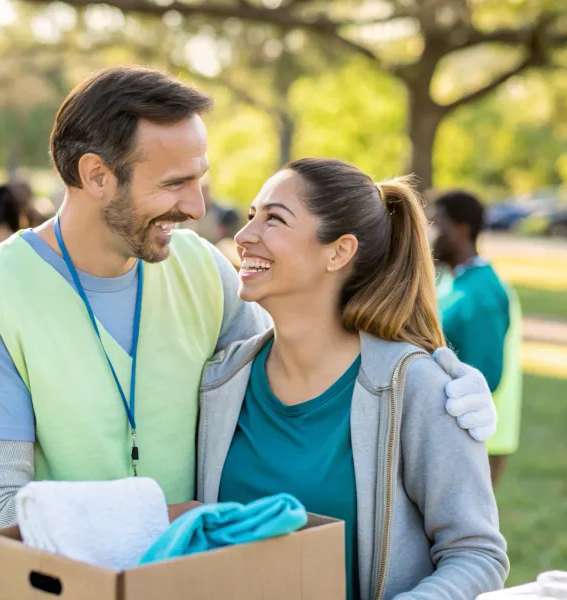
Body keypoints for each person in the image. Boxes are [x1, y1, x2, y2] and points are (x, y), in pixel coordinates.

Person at [0, 67, 498, 600]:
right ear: (96, 175)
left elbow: (310, 350)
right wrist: (183, 522)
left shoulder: (202, 270)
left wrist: (441, 380)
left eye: (201, 179)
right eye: (174, 183)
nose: (197, 207)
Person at [197, 159, 508, 600]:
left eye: (274, 220)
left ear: (339, 252)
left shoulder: (416, 389)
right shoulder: (222, 381)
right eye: (251, 217)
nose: (245, 237)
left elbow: (477, 553)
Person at [433, 190, 523, 486]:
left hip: (478, 440)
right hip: (456, 435)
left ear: (461, 229)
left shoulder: (481, 293)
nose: (429, 232)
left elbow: (486, 376)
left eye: (437, 223)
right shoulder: (451, 279)